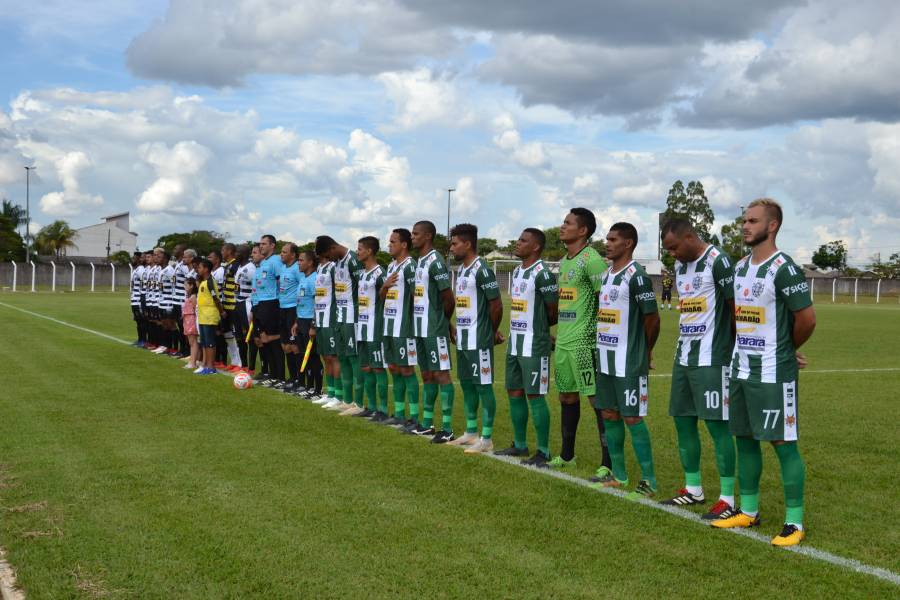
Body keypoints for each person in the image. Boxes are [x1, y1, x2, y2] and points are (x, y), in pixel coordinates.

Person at [710, 198, 816, 547]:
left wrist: (786, 348)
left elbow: (806, 319)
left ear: (772, 226)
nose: (745, 226)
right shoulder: (740, 267)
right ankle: (749, 510)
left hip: (773, 371)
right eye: (744, 220)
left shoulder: (783, 267)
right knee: (744, 438)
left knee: (783, 443)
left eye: (753, 221)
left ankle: (794, 522)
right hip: (741, 368)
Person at [659, 218, 738, 520]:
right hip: (684, 356)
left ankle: (727, 498)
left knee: (717, 426)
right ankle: (693, 489)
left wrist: (736, 348)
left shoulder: (718, 262)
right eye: (668, 250)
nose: (672, 255)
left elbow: (735, 309)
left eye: (675, 247)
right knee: (682, 421)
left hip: (712, 357)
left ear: (690, 237)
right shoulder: (680, 267)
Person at [592, 222, 661, 500]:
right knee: (609, 414)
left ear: (628, 243)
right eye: (607, 239)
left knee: (632, 417)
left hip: (628, 361)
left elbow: (652, 317)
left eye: (613, 239)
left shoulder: (638, 276)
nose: (607, 243)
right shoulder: (607, 275)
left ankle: (649, 481)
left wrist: (645, 350)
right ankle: (619, 475)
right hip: (605, 359)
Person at [549, 208, 611, 477]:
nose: (562, 227)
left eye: (567, 223)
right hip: (563, 342)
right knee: (566, 396)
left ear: (583, 230)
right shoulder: (565, 261)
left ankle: (608, 462)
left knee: (596, 400)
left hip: (584, 343)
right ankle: (567, 455)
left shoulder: (592, 260)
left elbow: (605, 301)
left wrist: (597, 335)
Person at [496, 228, 558, 467]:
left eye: (523, 240)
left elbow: (553, 310)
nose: (517, 243)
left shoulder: (542, 274)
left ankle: (543, 450)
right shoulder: (517, 271)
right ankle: (519, 444)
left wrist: (541, 330)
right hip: (515, 343)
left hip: (534, 344)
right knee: (514, 392)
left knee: (535, 394)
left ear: (535, 247)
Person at [445, 223, 504, 454]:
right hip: (463, 339)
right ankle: (471, 432)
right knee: (468, 384)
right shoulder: (463, 271)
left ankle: (486, 437)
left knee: (483, 386)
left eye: (454, 243)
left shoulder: (482, 269)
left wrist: (490, 332)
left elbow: (496, 304)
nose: (451, 248)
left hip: (479, 340)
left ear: (468, 244)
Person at [411, 220, 456, 441]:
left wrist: (442, 322)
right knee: (427, 375)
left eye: (416, 233)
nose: (413, 237)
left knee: (441, 374)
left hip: (433, 329)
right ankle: (427, 423)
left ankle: (447, 428)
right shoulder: (420, 261)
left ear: (428, 236)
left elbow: (448, 298)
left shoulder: (435, 261)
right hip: (420, 328)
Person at [380, 228, 420, 431]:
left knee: (406, 369)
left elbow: (417, 297)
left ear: (404, 244)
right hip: (388, 326)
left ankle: (413, 417)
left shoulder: (410, 266)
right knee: (394, 369)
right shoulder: (390, 266)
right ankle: (398, 414)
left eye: (393, 242)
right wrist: (385, 286)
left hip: (403, 328)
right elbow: (382, 296)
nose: (389, 245)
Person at [321, 236, 366, 414]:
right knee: (343, 358)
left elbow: (362, 288)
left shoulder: (353, 260)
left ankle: (359, 403)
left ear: (333, 248)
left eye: (327, 254)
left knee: (354, 358)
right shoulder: (336, 264)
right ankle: (346, 400)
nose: (328, 259)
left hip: (352, 317)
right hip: (339, 317)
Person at [352, 236, 389, 419]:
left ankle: (382, 410)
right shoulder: (362, 273)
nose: (357, 252)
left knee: (378, 368)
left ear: (369, 251)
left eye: (360, 249)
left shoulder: (380, 273)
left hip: (376, 328)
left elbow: (388, 299)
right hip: (362, 328)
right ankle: (371, 407)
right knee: (366, 368)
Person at [311, 241, 343, 408]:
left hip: (331, 318)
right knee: (325, 356)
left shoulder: (332, 267)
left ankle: (338, 395)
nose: (314, 250)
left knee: (333, 356)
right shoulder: (319, 268)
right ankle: (330, 393)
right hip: (320, 318)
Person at [253, 235, 285, 386]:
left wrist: (279, 301)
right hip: (261, 304)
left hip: (273, 303)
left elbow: (281, 281)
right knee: (264, 340)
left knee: (274, 341)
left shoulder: (276, 261)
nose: (261, 247)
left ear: (272, 246)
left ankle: (279, 376)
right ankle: (271, 374)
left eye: (264, 244)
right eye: (260, 244)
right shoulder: (263, 262)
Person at [291, 249, 321, 398]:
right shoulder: (303, 278)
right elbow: (301, 302)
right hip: (301, 320)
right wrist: (296, 322)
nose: (299, 262)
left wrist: (313, 326)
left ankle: (318, 389)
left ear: (310, 262)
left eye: (301, 260)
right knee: (305, 355)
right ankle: (308, 386)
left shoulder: (315, 279)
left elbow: (318, 303)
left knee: (313, 356)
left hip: (310, 321)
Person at [276, 242, 301, 391]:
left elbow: (302, 286)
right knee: (285, 346)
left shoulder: (297, 269)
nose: (282, 254)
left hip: (293, 309)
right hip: (282, 309)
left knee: (294, 346)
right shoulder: (283, 267)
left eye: (285, 252)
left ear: (293, 254)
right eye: (281, 252)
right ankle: (291, 378)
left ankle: (299, 379)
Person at [196, 258, 226, 375]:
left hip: (209, 316)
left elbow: (216, 298)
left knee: (210, 342)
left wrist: (221, 311)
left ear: (206, 269)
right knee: (204, 342)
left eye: (200, 267)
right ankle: (206, 365)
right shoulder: (203, 281)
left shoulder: (210, 281)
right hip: (203, 316)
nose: (198, 269)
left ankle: (210, 366)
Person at [221, 243, 243, 371]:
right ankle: (234, 361)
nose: (222, 252)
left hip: (233, 305)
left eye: (223, 250)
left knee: (235, 334)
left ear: (229, 251)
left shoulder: (235, 265)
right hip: (226, 305)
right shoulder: (228, 265)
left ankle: (239, 363)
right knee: (227, 333)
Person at [233, 245, 255, 371]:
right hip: (238, 303)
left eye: (238, 252)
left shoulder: (251, 269)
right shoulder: (239, 267)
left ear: (245, 254)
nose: (235, 254)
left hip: (247, 303)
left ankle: (251, 367)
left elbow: (255, 287)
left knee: (249, 336)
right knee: (239, 336)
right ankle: (243, 364)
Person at [182, 277, 200, 371]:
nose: (184, 286)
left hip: (191, 319)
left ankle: (193, 362)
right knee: (191, 342)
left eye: (186, 285)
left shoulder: (193, 297)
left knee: (193, 342)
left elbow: (196, 309)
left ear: (191, 286)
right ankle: (193, 360)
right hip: (187, 319)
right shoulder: (189, 296)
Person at [130, 252, 146, 347]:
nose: (133, 260)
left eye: (134, 258)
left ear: (139, 259)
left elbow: (143, 285)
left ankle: (143, 340)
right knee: (138, 321)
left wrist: (141, 301)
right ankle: (140, 339)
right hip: (134, 299)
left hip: (138, 300)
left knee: (141, 321)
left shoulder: (141, 270)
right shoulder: (135, 270)